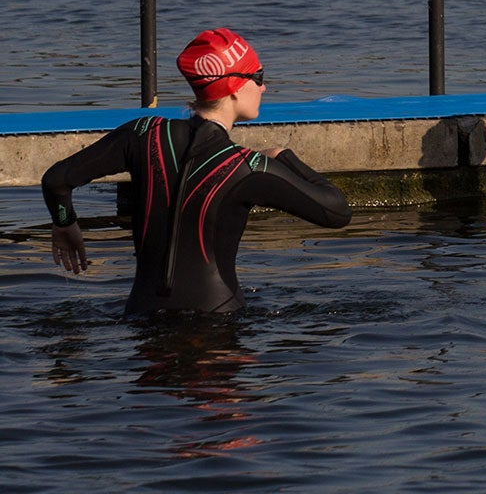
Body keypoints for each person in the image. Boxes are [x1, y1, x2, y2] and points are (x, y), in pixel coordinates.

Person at [39, 28, 351, 314]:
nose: (264, 86)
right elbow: (336, 212)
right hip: (218, 327)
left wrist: (65, 224)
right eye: (258, 76)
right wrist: (284, 157)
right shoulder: (247, 166)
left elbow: (56, 181)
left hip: (142, 318)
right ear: (234, 87)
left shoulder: (142, 133)